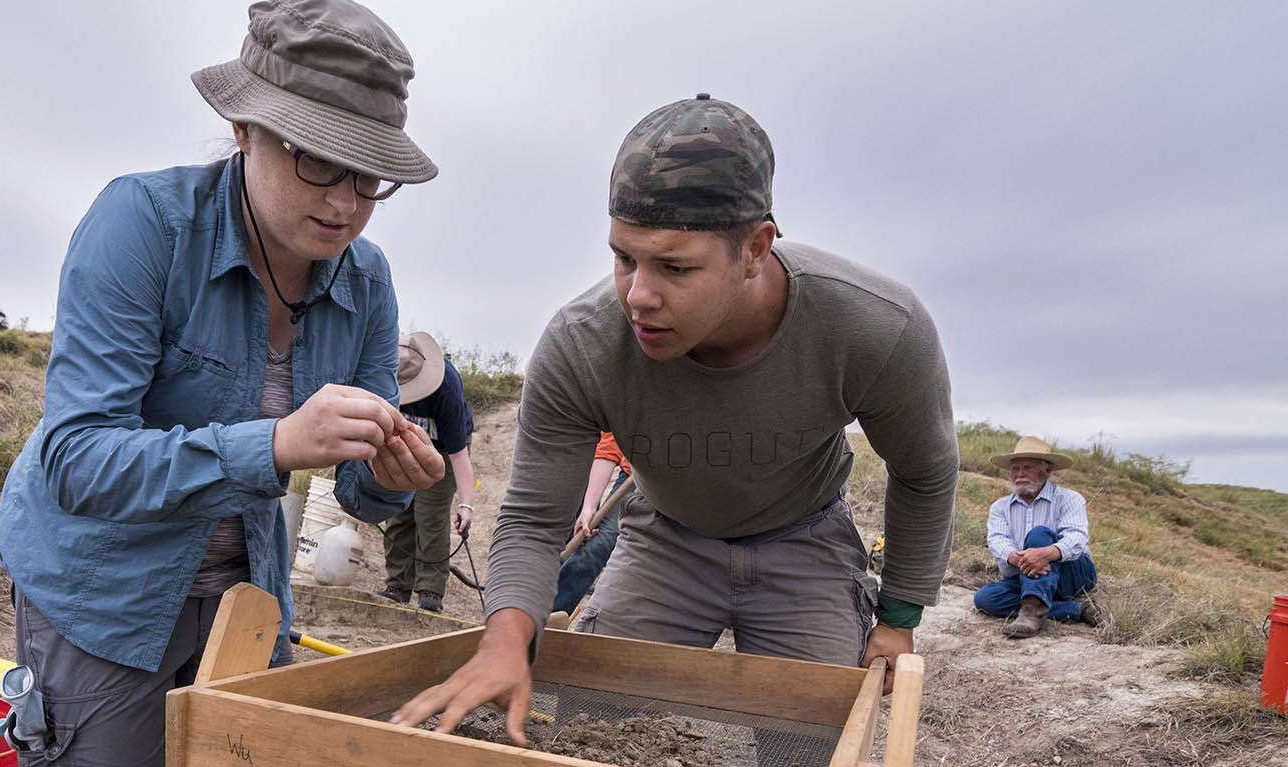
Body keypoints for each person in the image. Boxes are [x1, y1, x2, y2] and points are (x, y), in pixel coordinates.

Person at [391, 94, 958, 748]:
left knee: (814, 741)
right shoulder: (584, 343)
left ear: (756, 247)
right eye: (624, 257)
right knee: (593, 730)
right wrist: (504, 636)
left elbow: (924, 471)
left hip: (806, 538)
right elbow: (533, 518)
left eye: (675, 266)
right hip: (666, 536)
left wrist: (898, 617)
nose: (638, 296)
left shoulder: (872, 327)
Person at [0, 2, 445, 764]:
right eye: (318, 159)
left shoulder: (367, 281)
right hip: (104, 601)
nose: (344, 202)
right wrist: (274, 443)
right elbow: (76, 458)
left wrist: (395, 479)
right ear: (243, 129)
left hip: (250, 599)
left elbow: (363, 494)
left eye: (369, 176)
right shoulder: (142, 225)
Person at [377, 331, 477, 614]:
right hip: (402, 444)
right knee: (398, 510)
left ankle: (430, 591)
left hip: (443, 451)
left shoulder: (446, 388)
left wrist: (466, 504)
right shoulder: (381, 376)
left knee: (430, 515)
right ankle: (397, 585)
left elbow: (459, 455)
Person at [973, 436, 1103, 638]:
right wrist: (1019, 558)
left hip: (1072, 574)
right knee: (985, 599)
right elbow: (997, 540)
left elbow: (1077, 538)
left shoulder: (1069, 499)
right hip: (1025, 573)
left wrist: (1046, 553)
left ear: (1047, 470)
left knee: (1038, 534)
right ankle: (1076, 610)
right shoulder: (1000, 507)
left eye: (1027, 468)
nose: (1019, 474)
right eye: (1015, 469)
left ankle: (1032, 612)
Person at [550, 433, 632, 617]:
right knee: (593, 547)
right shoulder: (629, 404)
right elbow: (610, 447)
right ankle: (543, 624)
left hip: (691, 484)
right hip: (636, 479)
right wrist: (589, 507)